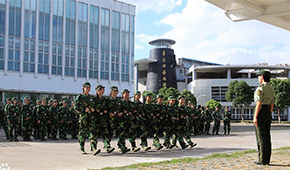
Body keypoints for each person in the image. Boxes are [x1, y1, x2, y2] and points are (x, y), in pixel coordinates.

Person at [253, 70, 275, 165]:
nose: (258, 78)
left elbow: (259, 103)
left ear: (262, 77)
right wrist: (269, 112)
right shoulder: (271, 88)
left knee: (260, 136)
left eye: (258, 76)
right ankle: (267, 159)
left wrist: (255, 117)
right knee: (267, 136)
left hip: (261, 111)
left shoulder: (260, 88)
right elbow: (272, 103)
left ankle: (262, 159)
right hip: (267, 111)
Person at [74, 82, 100, 155]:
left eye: (89, 87)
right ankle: (82, 148)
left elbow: (95, 106)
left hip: (91, 118)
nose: (88, 89)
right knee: (83, 134)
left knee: (93, 133)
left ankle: (93, 148)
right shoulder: (80, 97)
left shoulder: (91, 98)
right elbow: (76, 107)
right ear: (83, 88)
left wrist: (93, 109)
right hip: (84, 118)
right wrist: (83, 110)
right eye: (86, 87)